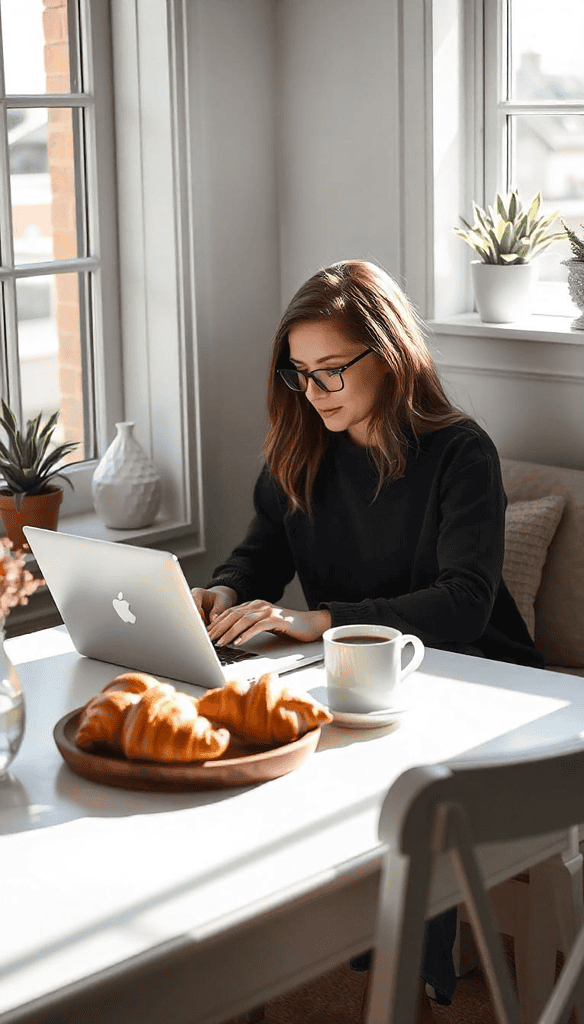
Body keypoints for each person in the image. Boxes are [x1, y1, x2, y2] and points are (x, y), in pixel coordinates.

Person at [192, 260, 544, 1018]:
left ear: (388, 356)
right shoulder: (303, 445)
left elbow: (464, 604)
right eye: (299, 374)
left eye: (331, 372)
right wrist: (221, 590)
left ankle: (403, 961)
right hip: (364, 675)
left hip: (482, 674)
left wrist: (317, 622)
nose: (314, 393)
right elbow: (262, 554)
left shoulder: (460, 453)